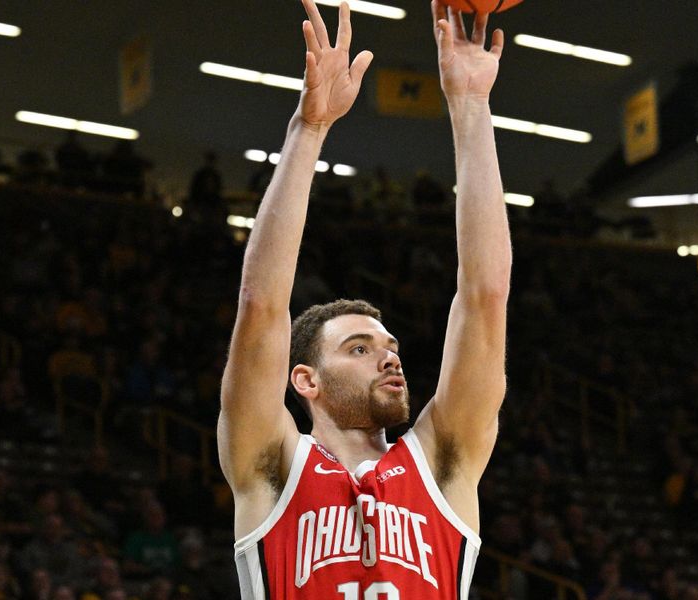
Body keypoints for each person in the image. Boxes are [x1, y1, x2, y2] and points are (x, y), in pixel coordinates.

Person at [217, 0, 510, 598]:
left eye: (390, 346)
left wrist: (471, 106)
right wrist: (310, 128)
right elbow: (261, 304)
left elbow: (486, 296)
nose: (389, 357)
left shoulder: (443, 463)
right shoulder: (271, 465)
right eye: (359, 347)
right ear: (305, 380)